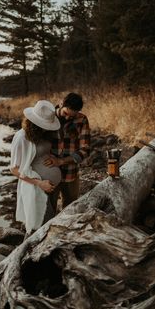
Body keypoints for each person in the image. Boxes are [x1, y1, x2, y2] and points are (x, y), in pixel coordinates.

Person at [10, 100, 61, 237]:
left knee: (48, 224)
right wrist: (40, 183)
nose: (47, 127)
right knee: (37, 226)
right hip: (37, 187)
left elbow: (39, 153)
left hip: (51, 187)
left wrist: (52, 158)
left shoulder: (42, 133)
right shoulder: (21, 137)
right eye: (44, 125)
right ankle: (27, 254)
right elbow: (14, 169)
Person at [44, 92, 90, 213]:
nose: (68, 118)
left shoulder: (82, 119)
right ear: (61, 104)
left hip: (71, 173)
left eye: (72, 116)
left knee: (71, 210)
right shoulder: (47, 117)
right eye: (65, 113)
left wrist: (61, 161)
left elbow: (85, 149)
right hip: (50, 172)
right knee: (48, 209)